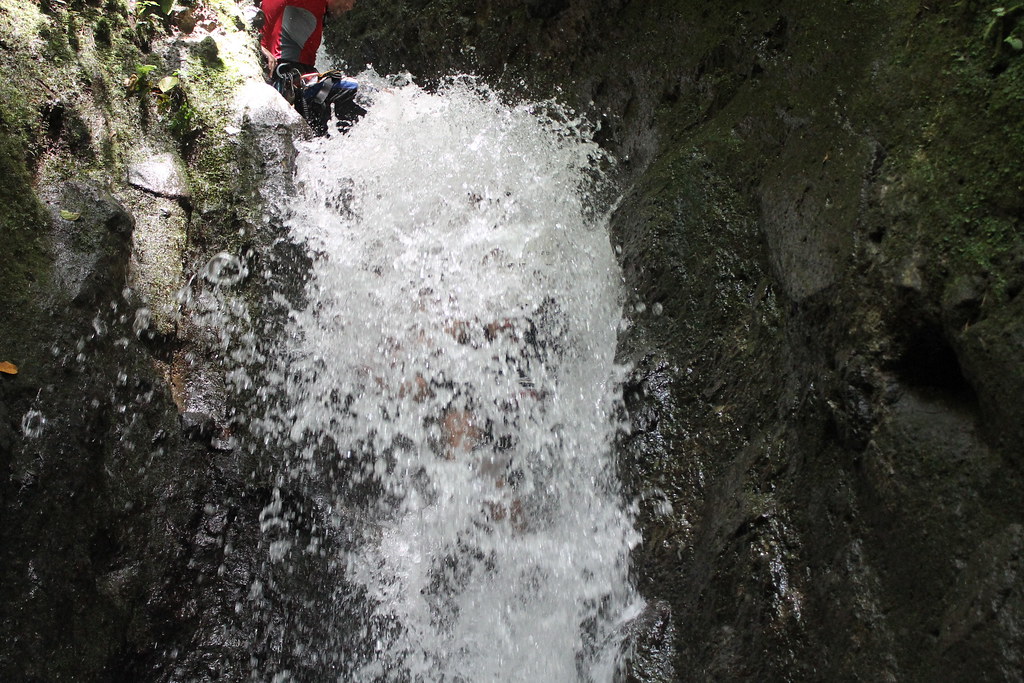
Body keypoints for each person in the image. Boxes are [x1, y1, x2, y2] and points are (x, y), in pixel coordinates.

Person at [259, 0, 367, 135]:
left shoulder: (320, 10)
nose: (350, 7)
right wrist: (258, 43)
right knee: (360, 91)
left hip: (301, 83)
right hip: (288, 79)